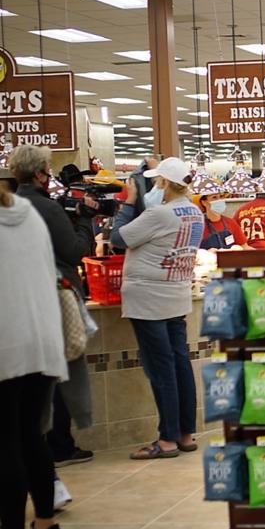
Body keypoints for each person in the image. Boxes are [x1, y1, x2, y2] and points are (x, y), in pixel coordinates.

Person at [110, 157, 205, 460]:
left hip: (149, 299)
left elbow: (117, 239)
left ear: (165, 182)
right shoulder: (195, 212)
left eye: (156, 181)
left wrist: (129, 203)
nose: (153, 186)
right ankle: (185, 434)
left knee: (161, 368)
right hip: (175, 294)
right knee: (179, 364)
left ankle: (166, 440)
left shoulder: (161, 214)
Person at [9, 146, 96, 469]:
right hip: (56, 298)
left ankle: (37, 441)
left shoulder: (13, 206)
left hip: (19, 304)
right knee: (61, 374)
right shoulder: (47, 208)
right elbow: (74, 252)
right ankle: (60, 443)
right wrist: (85, 222)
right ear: (40, 173)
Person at [0, 181, 71, 529]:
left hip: (5, 343)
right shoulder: (30, 217)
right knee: (31, 436)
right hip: (42, 340)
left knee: (6, 443)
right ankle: (46, 526)